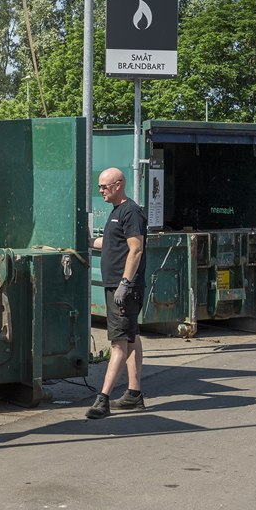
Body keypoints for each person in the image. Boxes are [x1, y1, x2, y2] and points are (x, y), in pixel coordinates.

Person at [86, 167, 147, 419]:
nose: (100, 190)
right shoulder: (116, 213)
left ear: (118, 184)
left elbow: (136, 249)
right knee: (131, 337)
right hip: (117, 286)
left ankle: (103, 399)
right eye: (100, 186)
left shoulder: (131, 212)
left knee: (118, 342)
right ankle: (134, 394)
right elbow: (108, 243)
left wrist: (124, 282)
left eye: (104, 186)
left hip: (125, 289)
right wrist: (84, 240)